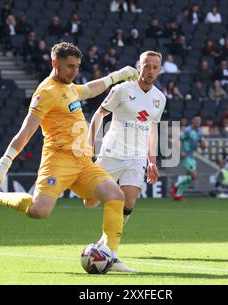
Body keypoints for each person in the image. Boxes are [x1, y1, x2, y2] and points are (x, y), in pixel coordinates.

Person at [0, 42, 139, 272]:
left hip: (82, 162)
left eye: (76, 67)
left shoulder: (69, 87)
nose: (74, 71)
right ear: (55, 63)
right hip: (58, 162)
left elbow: (90, 89)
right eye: (69, 66)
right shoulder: (45, 93)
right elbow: (26, 131)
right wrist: (5, 162)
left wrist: (118, 75)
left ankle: (111, 256)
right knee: (39, 211)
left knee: (116, 195)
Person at [85, 51, 166, 272]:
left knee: (128, 201)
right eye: (146, 66)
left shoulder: (160, 98)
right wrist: (89, 146)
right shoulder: (121, 90)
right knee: (90, 202)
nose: (150, 71)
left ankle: (110, 251)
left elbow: (153, 129)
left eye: (154, 67)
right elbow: (98, 116)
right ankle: (106, 246)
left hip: (136, 157)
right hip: (111, 153)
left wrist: (151, 161)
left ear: (159, 70)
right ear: (138, 67)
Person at [172, 116, 205, 201]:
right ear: (192, 121)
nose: (198, 122)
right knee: (194, 175)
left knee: (190, 177)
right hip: (185, 156)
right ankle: (176, 185)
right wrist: (180, 151)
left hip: (191, 156)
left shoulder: (200, 132)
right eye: (196, 120)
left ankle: (178, 195)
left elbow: (203, 146)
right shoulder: (187, 130)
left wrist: (203, 144)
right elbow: (175, 140)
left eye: (199, 120)